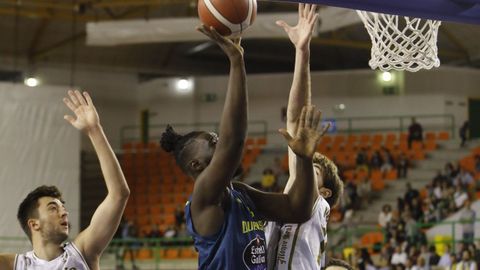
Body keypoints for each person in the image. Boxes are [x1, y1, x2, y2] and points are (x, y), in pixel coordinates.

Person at [160, 25, 326, 270]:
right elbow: (234, 141)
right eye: (213, 143)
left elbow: (297, 210)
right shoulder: (203, 196)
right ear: (197, 165)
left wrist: (303, 158)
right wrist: (236, 62)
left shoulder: (240, 194)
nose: (221, 143)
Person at [0, 90, 130, 270]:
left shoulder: (83, 252)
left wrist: (94, 131)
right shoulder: (15, 265)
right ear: (34, 224)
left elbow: (119, 194)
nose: (64, 212)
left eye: (63, 207)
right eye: (53, 208)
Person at [265, 4, 344, 270]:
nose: (306, 164)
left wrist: (303, 53)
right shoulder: (288, 199)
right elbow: (295, 120)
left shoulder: (317, 203)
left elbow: (298, 121)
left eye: (315, 167)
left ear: (324, 191)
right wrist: (301, 51)